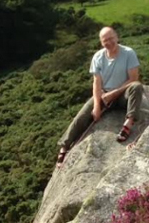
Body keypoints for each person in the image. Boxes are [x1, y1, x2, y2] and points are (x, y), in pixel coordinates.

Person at [57, 27, 144, 166]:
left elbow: (133, 79)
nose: (109, 42)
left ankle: (129, 122)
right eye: (105, 40)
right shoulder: (98, 57)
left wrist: (113, 94)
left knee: (137, 87)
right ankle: (64, 147)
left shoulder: (128, 53)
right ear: (101, 42)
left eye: (111, 38)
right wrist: (97, 106)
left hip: (123, 94)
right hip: (103, 94)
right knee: (81, 117)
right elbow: (96, 82)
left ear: (117, 37)